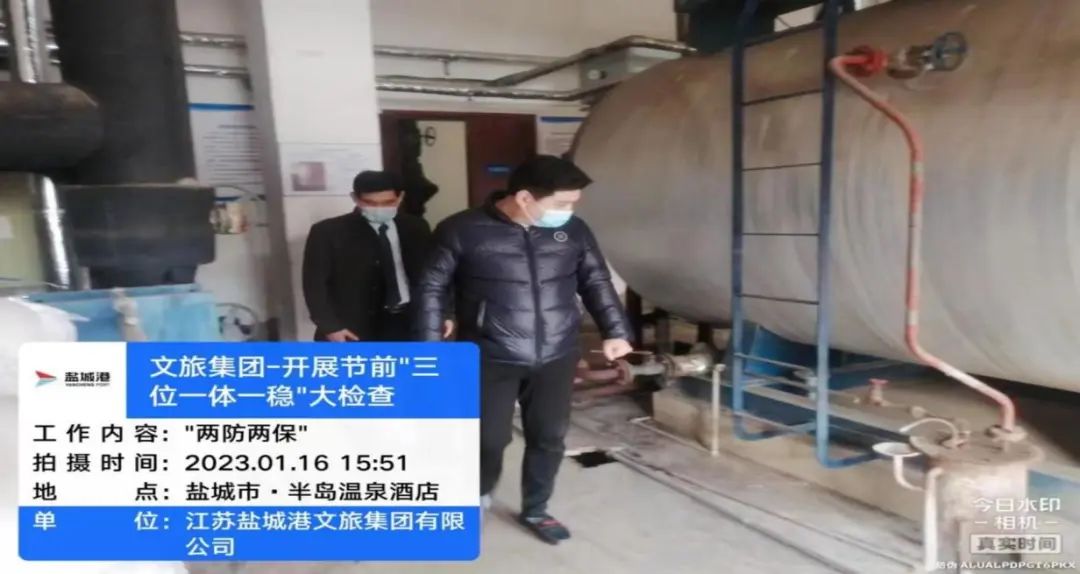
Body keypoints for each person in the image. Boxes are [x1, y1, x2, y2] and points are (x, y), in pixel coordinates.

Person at [414, 155, 633, 544]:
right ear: (525, 198)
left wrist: (615, 331)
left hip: (557, 352)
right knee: (488, 439)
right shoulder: (462, 230)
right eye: (561, 204)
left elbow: (596, 280)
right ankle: (477, 497)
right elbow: (431, 288)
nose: (568, 212)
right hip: (489, 354)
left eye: (573, 204)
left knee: (549, 436)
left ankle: (536, 509)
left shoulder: (574, 231)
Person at [301, 170, 432, 342]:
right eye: (370, 203)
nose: (379, 209)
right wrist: (330, 327)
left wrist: (441, 314)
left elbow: (431, 274)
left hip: (405, 321)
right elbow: (314, 285)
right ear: (355, 198)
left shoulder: (416, 227)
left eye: (388, 202)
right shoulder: (328, 232)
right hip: (352, 327)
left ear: (400, 197)